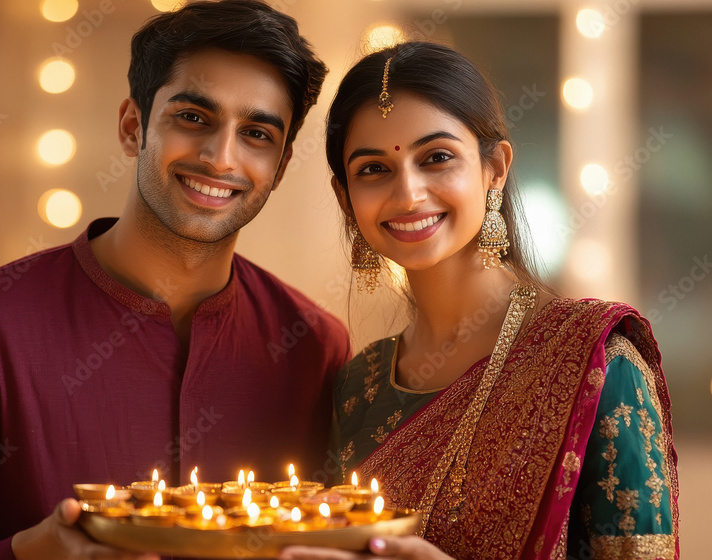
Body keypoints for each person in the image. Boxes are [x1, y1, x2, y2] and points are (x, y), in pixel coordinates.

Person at [0, 2, 349, 559]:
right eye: (193, 118)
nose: (221, 158)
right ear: (132, 127)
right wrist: (28, 554)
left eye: (257, 134)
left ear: (282, 167)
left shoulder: (315, 348)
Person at [280, 42, 679, 560]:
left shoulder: (595, 362)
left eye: (437, 158)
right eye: (373, 169)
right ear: (345, 196)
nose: (408, 195)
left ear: (496, 169)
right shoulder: (360, 386)